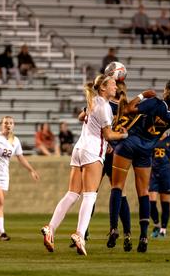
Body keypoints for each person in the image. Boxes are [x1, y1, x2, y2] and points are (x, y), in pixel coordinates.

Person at [40, 75, 128, 256]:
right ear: (103, 88)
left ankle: (51, 228)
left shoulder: (93, 100)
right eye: (112, 84)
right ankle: (80, 234)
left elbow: (83, 117)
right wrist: (122, 135)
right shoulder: (104, 106)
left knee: (72, 194)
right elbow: (109, 135)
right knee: (90, 196)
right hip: (92, 151)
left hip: (78, 149)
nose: (116, 87)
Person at [108, 79, 170, 253]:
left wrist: (142, 95)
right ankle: (144, 237)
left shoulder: (154, 103)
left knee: (117, 186)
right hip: (147, 151)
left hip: (129, 143)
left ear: (166, 90)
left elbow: (127, 109)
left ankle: (114, 228)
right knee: (143, 193)